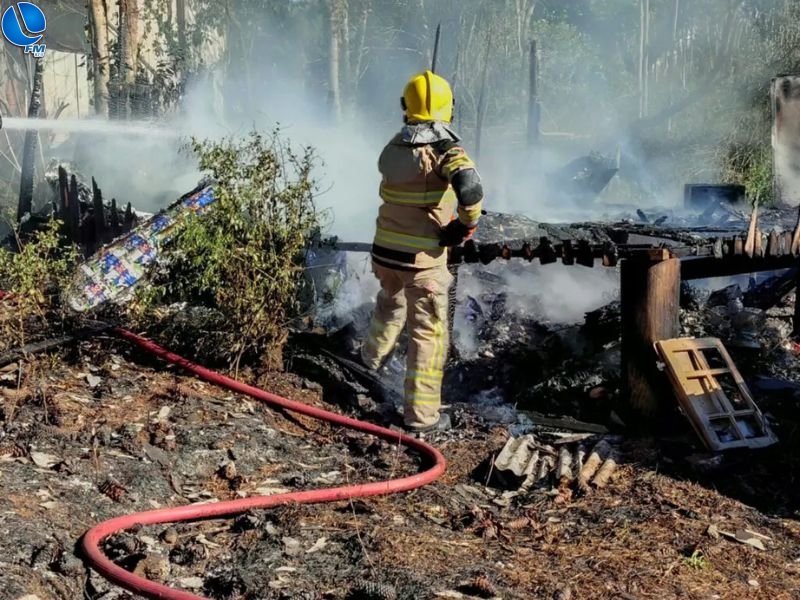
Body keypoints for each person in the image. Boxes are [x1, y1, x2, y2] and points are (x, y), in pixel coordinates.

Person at [360, 69, 484, 434]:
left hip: (386, 252)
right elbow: (472, 191)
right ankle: (422, 419)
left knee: (390, 301)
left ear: (406, 106)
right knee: (428, 337)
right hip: (421, 262)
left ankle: (369, 359)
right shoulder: (445, 150)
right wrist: (463, 226)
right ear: (449, 107)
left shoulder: (393, 147)